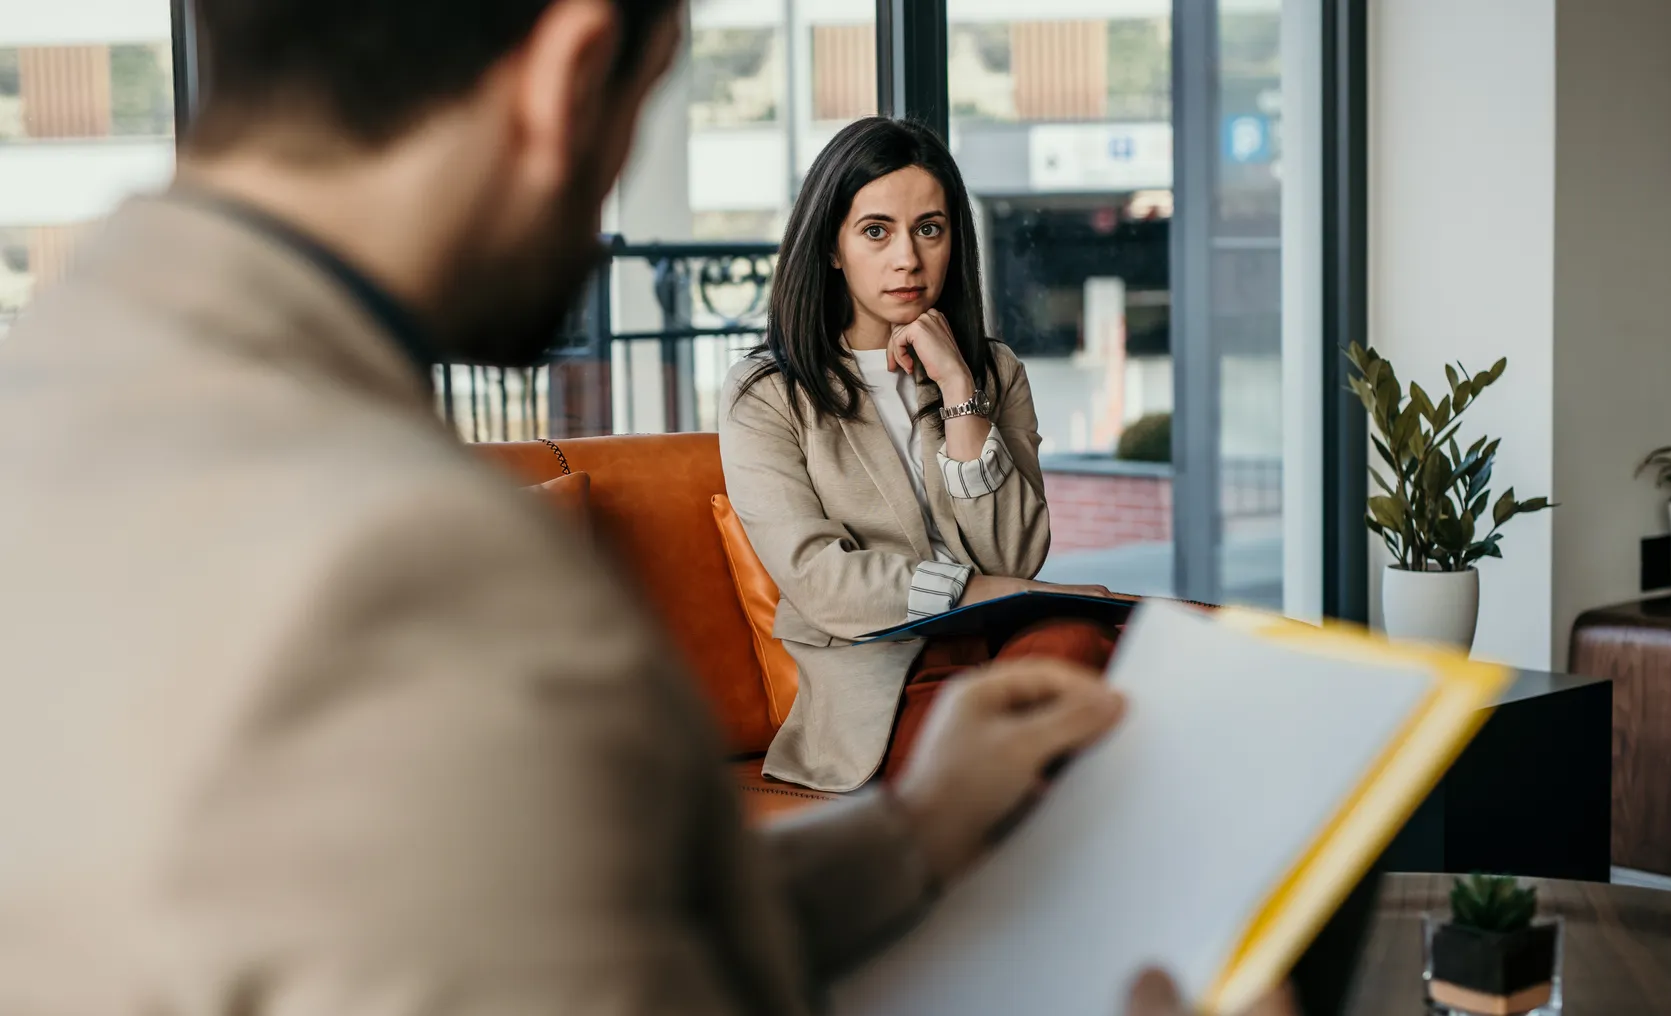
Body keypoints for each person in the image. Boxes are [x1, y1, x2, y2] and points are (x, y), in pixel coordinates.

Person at [0, 2, 1296, 1015]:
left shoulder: (57, 409)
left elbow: (550, 926)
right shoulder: (423, 570)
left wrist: (910, 837)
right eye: (651, 92)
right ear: (572, 76)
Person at [719, 117, 1122, 793]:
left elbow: (1016, 554)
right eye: (876, 231)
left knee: (1088, 648)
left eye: (929, 228)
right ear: (833, 248)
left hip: (1010, 647)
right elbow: (820, 580)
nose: (907, 257)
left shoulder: (992, 370)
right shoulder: (766, 396)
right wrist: (978, 592)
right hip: (885, 680)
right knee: (1053, 712)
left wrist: (960, 389)